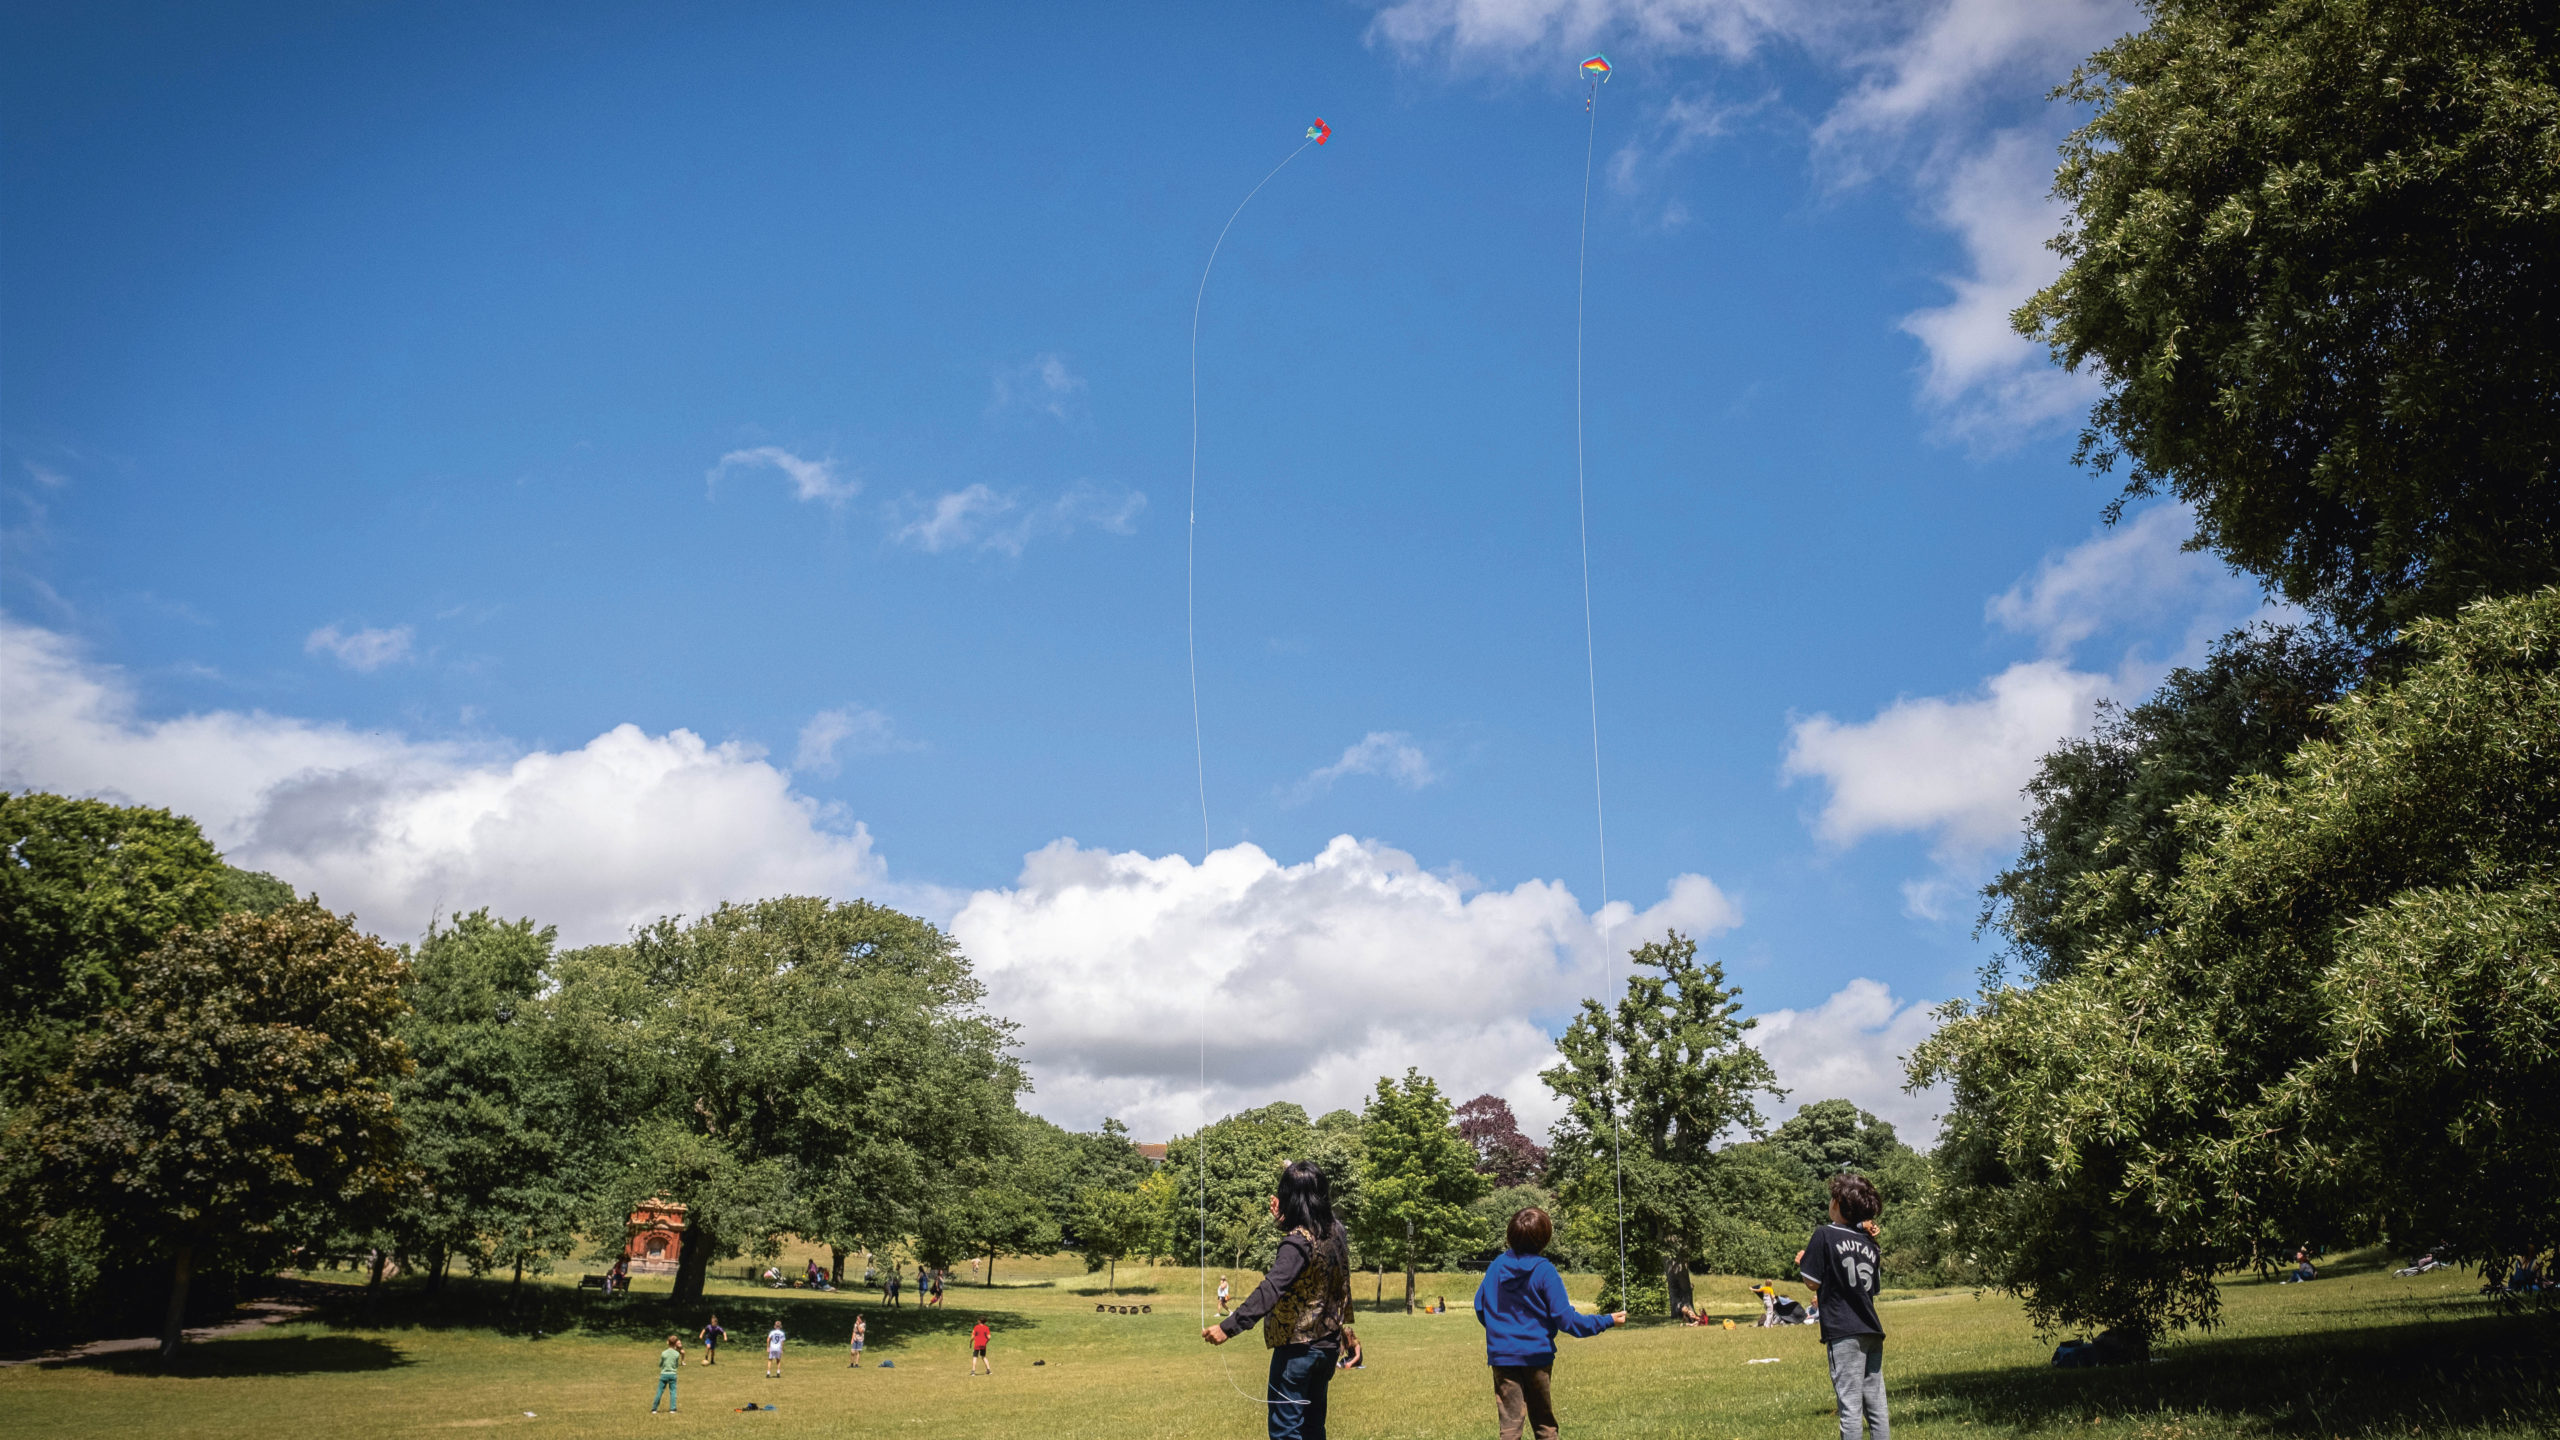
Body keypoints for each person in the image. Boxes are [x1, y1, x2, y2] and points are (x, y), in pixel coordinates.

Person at [1202, 1159, 1363, 1440]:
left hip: (1297, 1352)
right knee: (1313, 1429)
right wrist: (1288, 1216)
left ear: (1290, 1199)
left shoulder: (1296, 1243)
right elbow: (1312, 1233)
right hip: (1326, 1349)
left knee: (1286, 1433)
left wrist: (1228, 1327)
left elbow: (1271, 1288)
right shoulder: (1337, 1231)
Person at [1472, 1205, 1623, 1440]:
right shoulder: (1545, 1272)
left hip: (1502, 1357)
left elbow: (1480, 1307)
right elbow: (1567, 1320)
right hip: (1537, 1357)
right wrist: (1607, 1320)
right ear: (1544, 1239)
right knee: (1544, 1426)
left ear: (1510, 1235)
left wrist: (1501, 1332)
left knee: (1510, 1428)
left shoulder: (1496, 1266)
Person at [1798, 1173, 1889, 1440]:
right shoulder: (1871, 1244)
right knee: (1876, 1404)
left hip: (1843, 1331)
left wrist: (1804, 1261)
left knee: (1849, 1407)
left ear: (1837, 1203)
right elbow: (1872, 1288)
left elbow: (1812, 1283)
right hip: (1872, 1329)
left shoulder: (1824, 1234)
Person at [651, 1334, 683, 1413]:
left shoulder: (663, 1353)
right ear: (676, 1343)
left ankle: (654, 1409)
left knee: (659, 1391)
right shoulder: (677, 1354)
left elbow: (661, 1364)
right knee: (673, 1392)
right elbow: (676, 1365)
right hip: (673, 1374)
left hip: (664, 1374)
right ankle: (672, 1409)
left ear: (668, 1342)